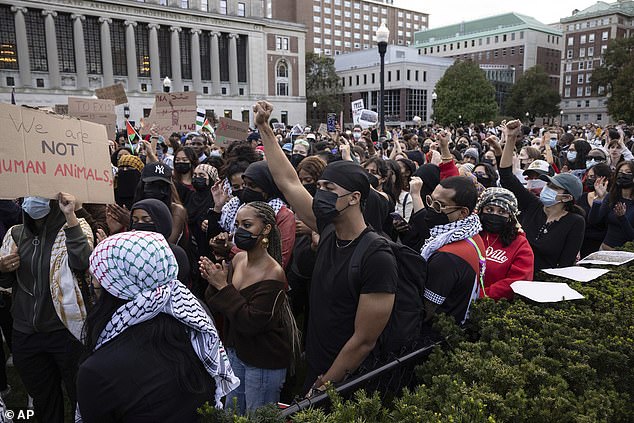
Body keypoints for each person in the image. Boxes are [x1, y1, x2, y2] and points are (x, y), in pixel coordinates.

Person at [252, 100, 398, 395]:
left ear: (354, 198)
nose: (320, 195)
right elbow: (288, 182)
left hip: (348, 381)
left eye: (330, 190)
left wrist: (326, 384)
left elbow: (364, 340)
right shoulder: (329, 230)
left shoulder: (377, 256)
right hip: (317, 363)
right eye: (319, 188)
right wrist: (265, 128)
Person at [77, 231, 239, 422]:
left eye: (96, 283)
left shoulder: (98, 370)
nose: (93, 289)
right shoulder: (197, 324)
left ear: (115, 289)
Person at [0, 193, 93, 422]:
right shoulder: (15, 233)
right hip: (26, 335)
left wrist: (70, 216)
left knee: (79, 394)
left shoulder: (76, 226)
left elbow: (83, 262)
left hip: (65, 332)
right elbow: (7, 285)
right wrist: (2, 270)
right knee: (44, 401)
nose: (34, 200)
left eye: (41, 194)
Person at [201, 202, 298, 414]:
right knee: (231, 414)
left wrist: (222, 285)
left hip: (263, 360)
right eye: (237, 225)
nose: (239, 231)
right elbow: (218, 303)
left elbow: (251, 321)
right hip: (236, 352)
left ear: (265, 229)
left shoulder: (273, 273)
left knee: (257, 416)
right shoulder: (238, 258)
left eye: (247, 225)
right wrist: (214, 277)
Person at [499, 120, 585, 271]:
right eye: (548, 184)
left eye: (553, 187)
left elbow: (565, 266)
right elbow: (506, 177)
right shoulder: (533, 204)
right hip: (511, 273)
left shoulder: (575, 222)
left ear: (566, 198)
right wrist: (511, 139)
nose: (547, 188)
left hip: (541, 284)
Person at [420, 177, 486, 328]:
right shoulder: (473, 233)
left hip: (441, 335)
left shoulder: (447, 257)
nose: (431, 208)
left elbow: (426, 311)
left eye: (440, 206)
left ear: (463, 212)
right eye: (430, 201)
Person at [475, 188, 534, 300]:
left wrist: (481, 296)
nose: (494, 215)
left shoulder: (520, 243)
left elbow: (518, 280)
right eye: (489, 209)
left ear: (510, 216)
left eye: (502, 212)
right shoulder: (471, 235)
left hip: (493, 307)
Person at [129, 199, 191, 287]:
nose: (139, 225)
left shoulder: (175, 254)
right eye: (135, 221)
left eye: (147, 221)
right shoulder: (128, 252)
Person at [588, 161, 634, 250]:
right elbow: (593, 221)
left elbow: (631, 236)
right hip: (605, 249)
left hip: (627, 253)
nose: (623, 175)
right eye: (620, 172)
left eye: (628, 172)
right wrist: (598, 199)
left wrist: (622, 218)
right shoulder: (611, 197)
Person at [579, 163, 611, 256]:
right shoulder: (582, 197)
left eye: (592, 176)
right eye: (588, 176)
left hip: (603, 245)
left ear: (604, 179)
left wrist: (600, 199)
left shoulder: (612, 199)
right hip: (583, 243)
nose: (589, 179)